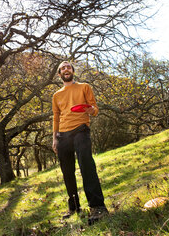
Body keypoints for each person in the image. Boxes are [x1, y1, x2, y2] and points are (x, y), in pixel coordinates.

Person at [52, 61, 108, 225]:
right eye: (63, 68)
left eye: (68, 67)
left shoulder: (84, 87)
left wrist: (92, 110)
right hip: (63, 134)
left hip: (81, 130)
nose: (66, 69)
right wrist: (55, 138)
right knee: (67, 172)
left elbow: (95, 109)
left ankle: (98, 207)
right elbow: (56, 117)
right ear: (59, 74)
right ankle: (74, 207)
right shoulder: (56, 95)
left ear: (73, 71)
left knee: (86, 166)